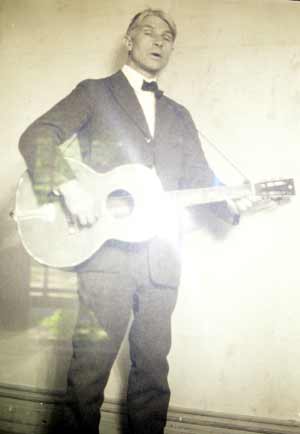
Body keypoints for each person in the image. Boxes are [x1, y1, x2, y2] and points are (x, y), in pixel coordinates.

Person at [19, 8, 248, 434]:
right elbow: (36, 136)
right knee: (87, 378)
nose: (159, 41)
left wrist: (231, 201)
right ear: (129, 40)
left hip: (162, 260)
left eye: (168, 36)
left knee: (153, 378)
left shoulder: (180, 115)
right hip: (107, 259)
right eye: (149, 32)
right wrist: (68, 187)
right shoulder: (94, 92)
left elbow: (200, 178)